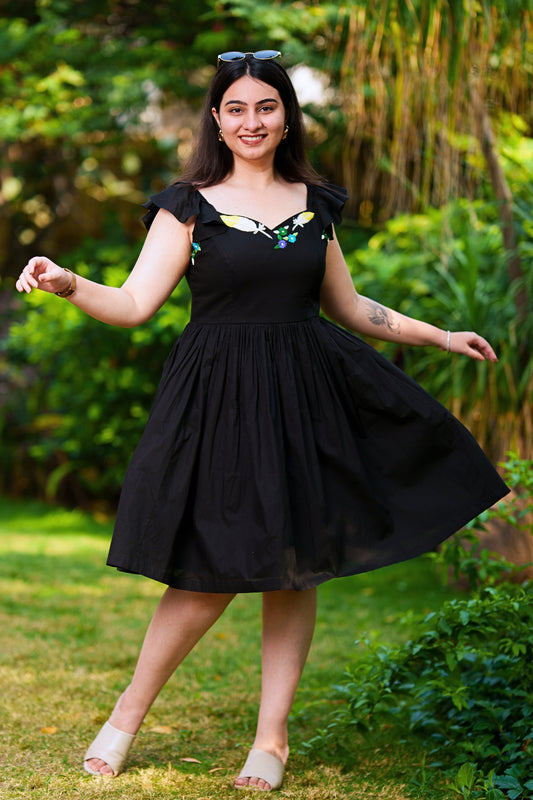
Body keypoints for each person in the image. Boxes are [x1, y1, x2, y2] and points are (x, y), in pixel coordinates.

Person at [16, 49, 508, 791]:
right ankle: (124, 718)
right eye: (237, 108)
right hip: (218, 401)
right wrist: (66, 282)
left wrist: (440, 336)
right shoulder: (187, 205)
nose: (252, 121)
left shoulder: (315, 204)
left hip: (304, 397)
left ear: (285, 117)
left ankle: (271, 740)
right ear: (216, 119)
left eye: (266, 107)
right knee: (206, 572)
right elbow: (132, 304)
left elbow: (349, 307)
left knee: (293, 566)